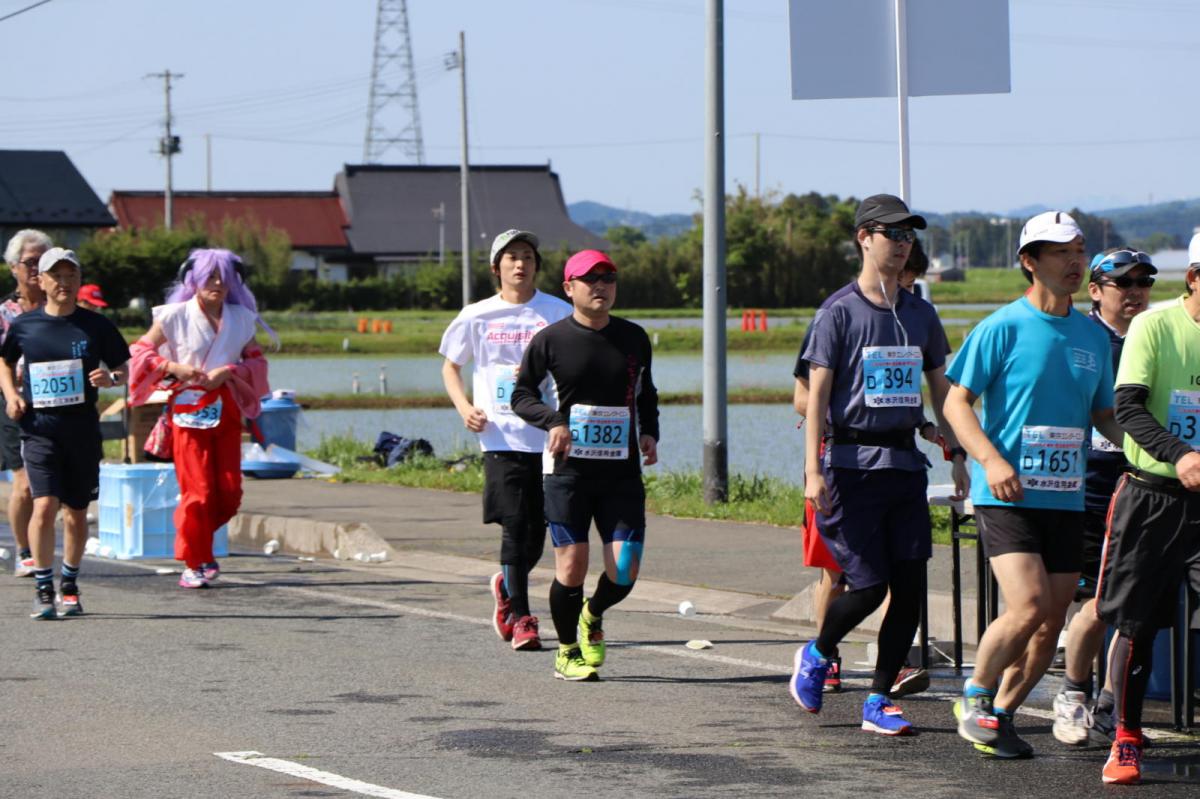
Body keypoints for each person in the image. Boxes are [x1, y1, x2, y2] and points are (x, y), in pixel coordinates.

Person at [943, 211, 1124, 759]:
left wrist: (1154, 451)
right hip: (1006, 493)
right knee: (1026, 605)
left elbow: (1104, 415)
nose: (1074, 262)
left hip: (1065, 495)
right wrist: (991, 461)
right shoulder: (1001, 327)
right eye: (1059, 252)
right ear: (1029, 261)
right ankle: (974, 694)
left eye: (1079, 250)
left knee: (1050, 622)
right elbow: (955, 402)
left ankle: (1001, 715)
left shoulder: (1092, 335)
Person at [790, 194, 968, 736]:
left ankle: (879, 699)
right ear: (865, 237)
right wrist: (813, 470)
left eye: (910, 236)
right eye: (893, 234)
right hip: (848, 465)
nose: (903, 244)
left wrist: (956, 451)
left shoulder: (921, 313)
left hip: (904, 465)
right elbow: (814, 397)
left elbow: (940, 389)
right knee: (866, 587)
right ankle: (818, 653)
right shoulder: (838, 311)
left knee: (911, 589)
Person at [511, 249, 659, 681]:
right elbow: (521, 396)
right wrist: (554, 421)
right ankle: (567, 650)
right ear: (569, 288)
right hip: (567, 472)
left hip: (621, 471)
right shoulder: (551, 340)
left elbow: (645, 391)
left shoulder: (633, 337)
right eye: (590, 279)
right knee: (571, 565)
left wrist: (649, 431)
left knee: (625, 568)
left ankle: (592, 614)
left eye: (608, 278)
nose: (601, 286)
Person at [1091, 234, 1200, 784]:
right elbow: (1128, 409)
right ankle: (1126, 736)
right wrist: (1180, 455)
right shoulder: (1154, 327)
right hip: (1152, 495)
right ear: (1194, 278)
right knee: (1137, 623)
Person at [439, 229, 571, 651]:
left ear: (536, 265)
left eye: (528, 256)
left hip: (548, 436)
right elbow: (450, 367)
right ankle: (522, 617)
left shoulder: (556, 311)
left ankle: (506, 585)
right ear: (497, 268)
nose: (520, 264)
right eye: (512, 257)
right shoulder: (477, 314)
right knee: (515, 527)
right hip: (499, 434)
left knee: (539, 531)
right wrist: (464, 409)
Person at [1052, 248, 1155, 748]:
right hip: (1086, 485)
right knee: (1096, 603)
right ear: (1095, 290)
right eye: (1123, 283)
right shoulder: (1082, 337)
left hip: (1142, 485)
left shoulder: (1154, 336)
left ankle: (1112, 706)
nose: (1134, 291)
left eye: (1143, 282)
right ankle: (1072, 694)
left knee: (1132, 607)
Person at [128, 249, 271, 589]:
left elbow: (257, 362)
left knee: (229, 492)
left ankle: (198, 546)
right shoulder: (174, 316)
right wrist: (172, 367)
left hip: (226, 406)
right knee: (198, 491)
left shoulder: (241, 318)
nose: (218, 283)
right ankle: (194, 559)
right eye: (210, 276)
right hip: (188, 409)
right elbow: (139, 352)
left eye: (224, 277)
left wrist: (230, 371)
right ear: (193, 279)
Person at [0, 248, 130, 619]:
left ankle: (69, 585)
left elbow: (123, 367)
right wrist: (11, 396)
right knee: (44, 504)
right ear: (40, 281)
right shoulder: (25, 325)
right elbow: (4, 362)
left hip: (82, 432)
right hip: (39, 430)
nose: (64, 283)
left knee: (76, 512)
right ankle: (44, 587)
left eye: (71, 275)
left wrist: (111, 378)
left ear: (78, 279)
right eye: (55, 276)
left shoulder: (96, 325)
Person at [1, 230, 50, 578]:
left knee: (51, 489)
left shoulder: (60, 309)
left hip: (55, 405)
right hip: (13, 403)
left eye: (42, 263)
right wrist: (11, 394)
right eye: (30, 263)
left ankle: (42, 545)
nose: (36, 269)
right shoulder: (5, 313)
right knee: (24, 483)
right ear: (13, 268)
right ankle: (24, 551)